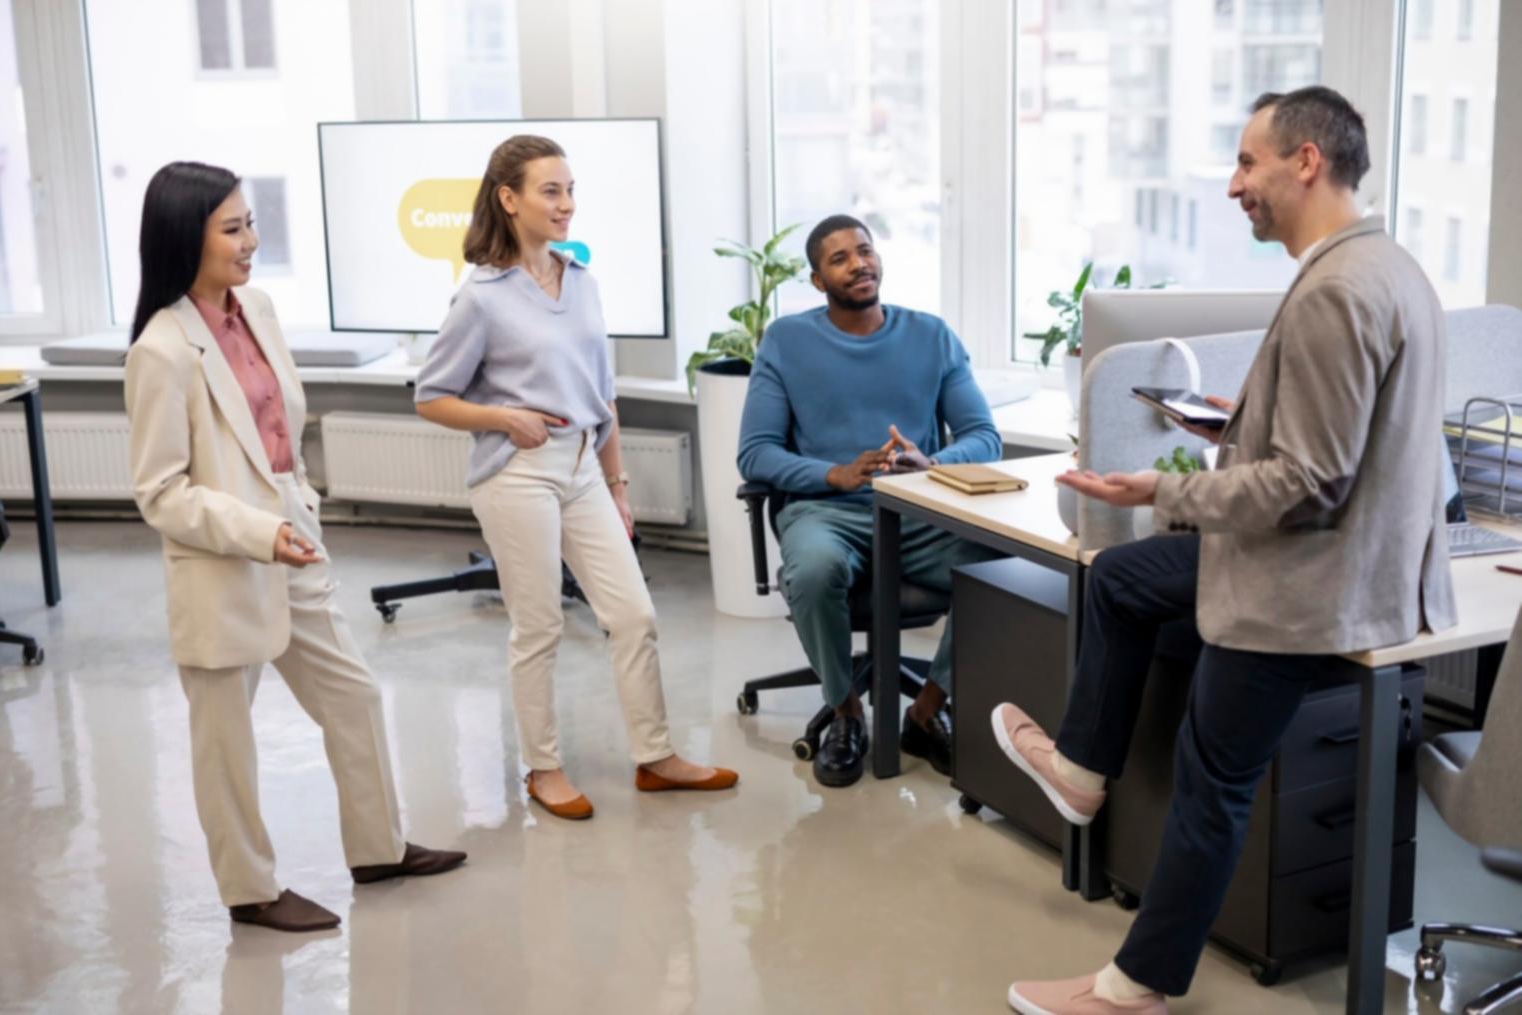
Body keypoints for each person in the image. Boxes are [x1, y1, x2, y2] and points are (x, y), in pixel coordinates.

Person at [995, 85, 1457, 1014]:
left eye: (1247, 162)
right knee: (1122, 578)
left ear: (1306, 162)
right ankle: (1082, 774)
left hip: (1309, 585)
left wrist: (1162, 487)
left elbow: (1306, 482)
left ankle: (1135, 988)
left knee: (1213, 784)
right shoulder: (1387, 265)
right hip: (1344, 559)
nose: (1233, 185)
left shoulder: (1337, 289)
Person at [125, 162, 466, 933]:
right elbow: (160, 491)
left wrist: (296, 508)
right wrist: (257, 531)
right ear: (188, 237)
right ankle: (249, 888)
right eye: (233, 227)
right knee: (225, 738)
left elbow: (281, 427)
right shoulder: (162, 349)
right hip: (223, 554)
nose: (252, 241)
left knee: (352, 693)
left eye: (251, 223)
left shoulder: (260, 309)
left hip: (289, 530)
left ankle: (377, 848)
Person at [414, 135, 737, 821]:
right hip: (516, 473)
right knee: (539, 627)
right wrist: (503, 418)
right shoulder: (481, 297)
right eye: (549, 191)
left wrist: (617, 484)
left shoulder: (581, 279)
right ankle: (542, 767)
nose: (566, 205)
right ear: (508, 199)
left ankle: (654, 757)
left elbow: (603, 390)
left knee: (633, 614)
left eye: (569, 190)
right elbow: (429, 395)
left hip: (583, 467)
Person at [737, 214, 1004, 788]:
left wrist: (931, 463)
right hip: (827, 512)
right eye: (840, 258)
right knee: (812, 571)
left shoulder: (931, 335)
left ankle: (928, 710)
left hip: (919, 509)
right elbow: (754, 454)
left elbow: (984, 435)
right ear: (816, 280)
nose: (859, 263)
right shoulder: (787, 341)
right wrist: (833, 474)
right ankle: (846, 715)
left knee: (1002, 566)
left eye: (864, 250)